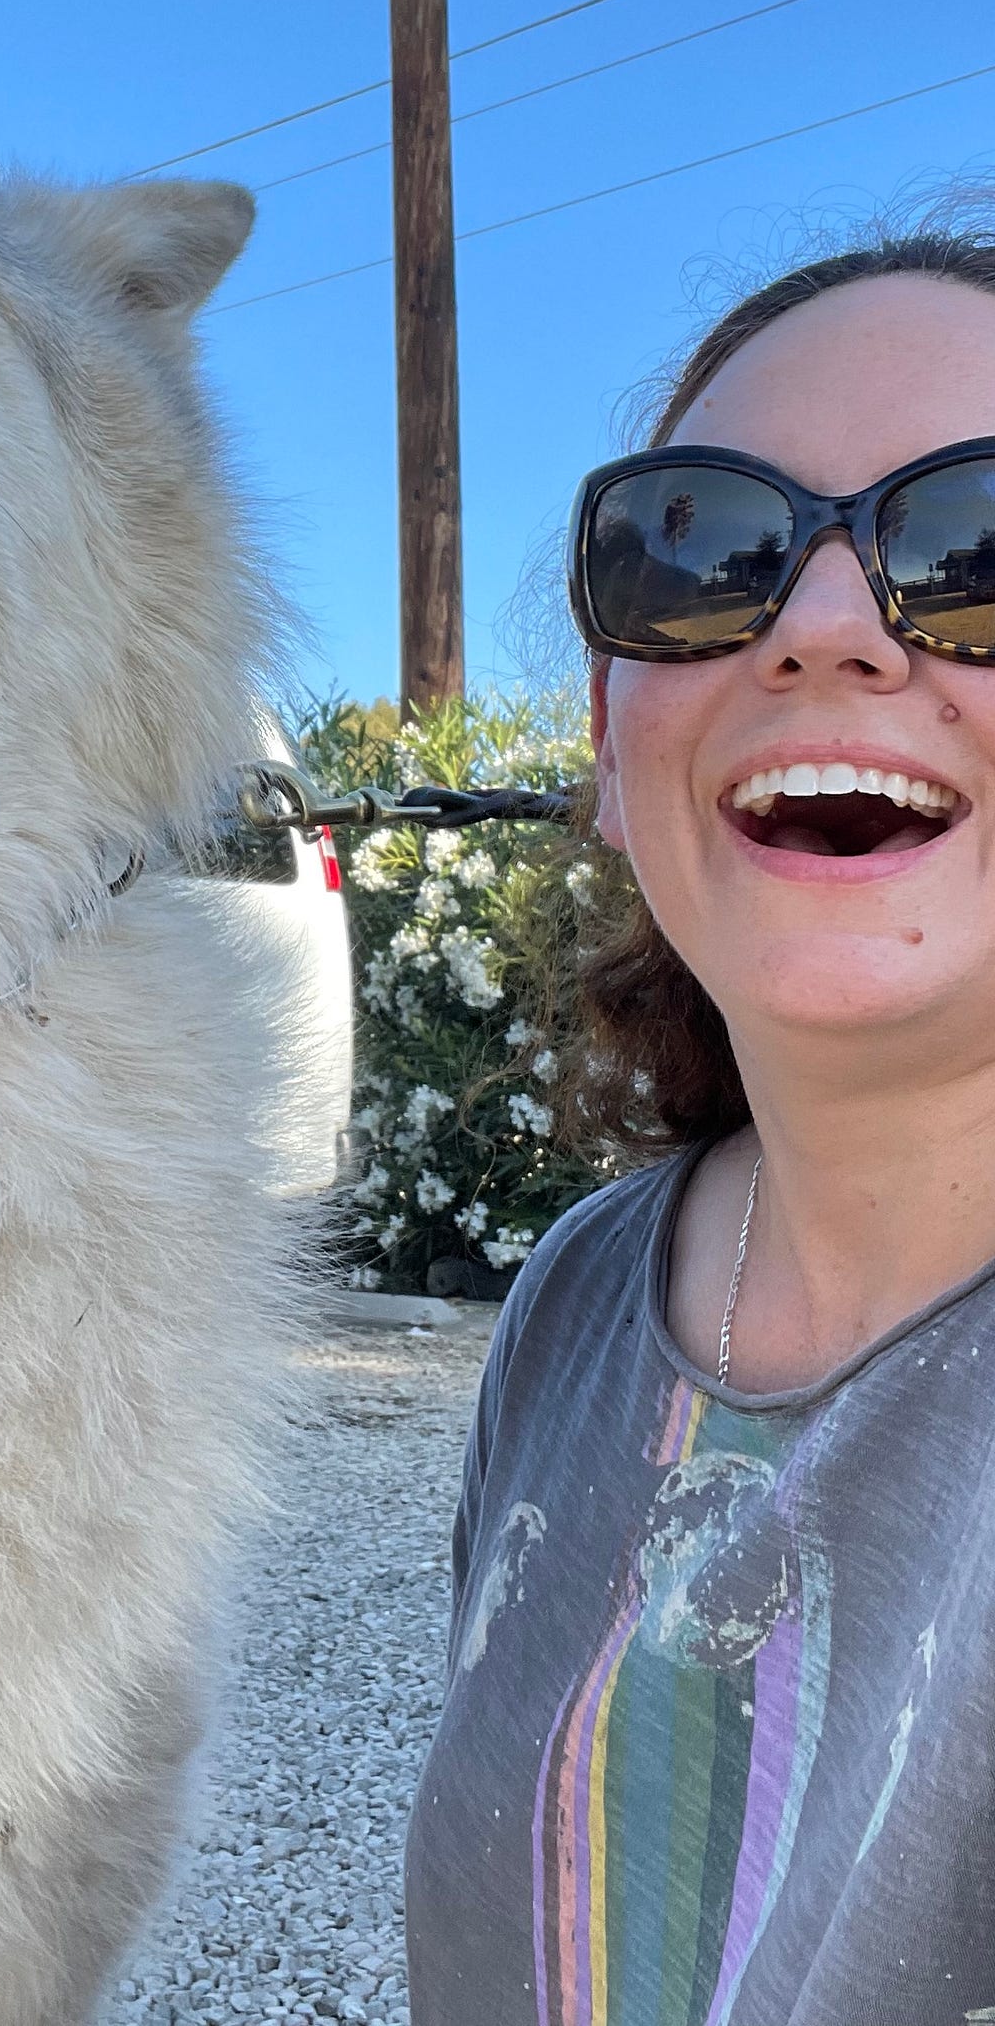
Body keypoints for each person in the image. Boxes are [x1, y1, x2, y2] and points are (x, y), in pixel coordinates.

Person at [404, 229, 995, 2026]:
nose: (824, 629)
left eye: (974, 546)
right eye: (703, 551)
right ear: (608, 736)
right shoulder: (585, 1295)